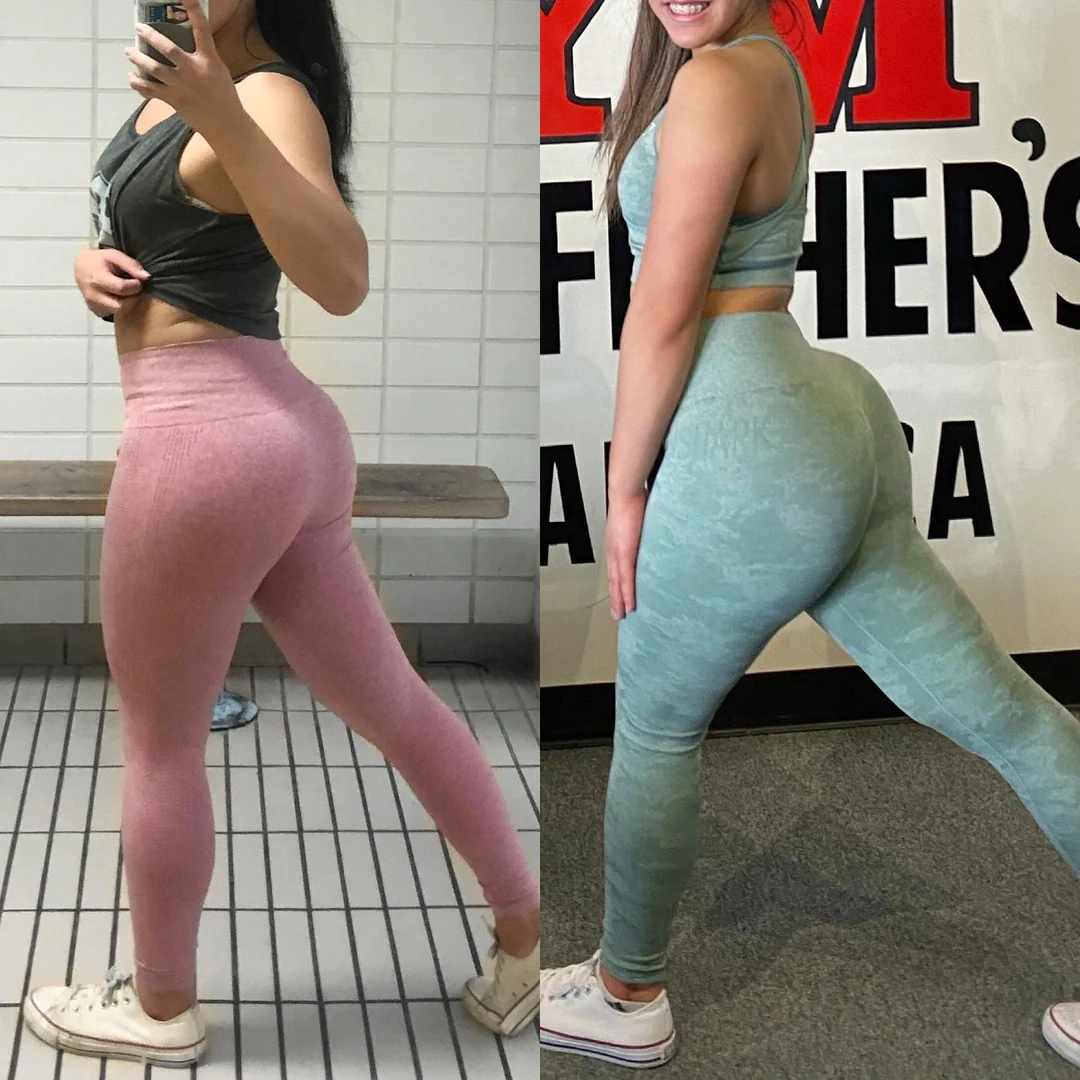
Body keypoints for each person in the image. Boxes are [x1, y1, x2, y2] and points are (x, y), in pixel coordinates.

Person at [538, 0, 1080, 1070]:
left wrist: (629, 482)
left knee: (653, 730)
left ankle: (625, 990)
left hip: (747, 446)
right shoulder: (767, 61)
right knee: (1010, 715)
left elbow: (662, 311)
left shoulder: (715, 81)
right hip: (831, 422)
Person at [19, 0, 540, 1066]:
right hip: (274, 441)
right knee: (395, 704)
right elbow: (181, 230)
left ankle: (160, 1010)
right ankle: (528, 939)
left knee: (160, 742)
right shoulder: (204, 88)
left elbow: (340, 278)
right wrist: (93, 265)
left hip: (202, 443)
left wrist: (226, 109)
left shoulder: (265, 94)